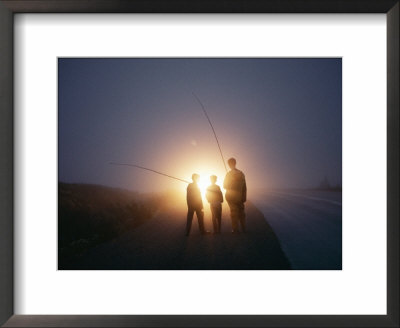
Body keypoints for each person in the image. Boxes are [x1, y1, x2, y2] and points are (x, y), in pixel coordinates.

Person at [223, 158, 247, 233]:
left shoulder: (228, 174)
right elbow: (244, 187)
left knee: (234, 212)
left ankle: (235, 229)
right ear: (235, 163)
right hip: (240, 196)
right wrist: (244, 197)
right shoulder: (242, 173)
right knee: (241, 213)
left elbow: (224, 186)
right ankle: (243, 228)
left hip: (231, 197)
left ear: (229, 164)